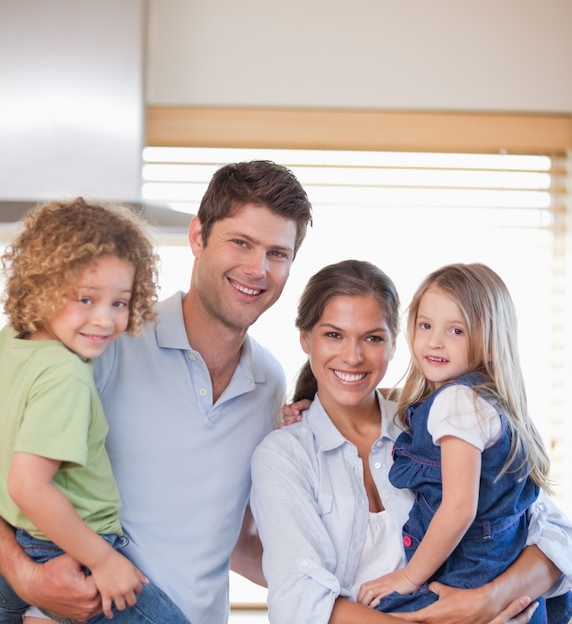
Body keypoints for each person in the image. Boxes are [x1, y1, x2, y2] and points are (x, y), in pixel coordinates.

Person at [0, 161, 314, 624]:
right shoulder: (101, 340)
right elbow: (18, 480)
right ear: (197, 237)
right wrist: (25, 577)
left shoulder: (269, 381)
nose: (257, 269)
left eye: (277, 253)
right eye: (241, 243)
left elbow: (237, 544)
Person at [250, 259, 572, 624]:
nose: (353, 357)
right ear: (306, 338)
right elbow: (301, 602)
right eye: (333, 335)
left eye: (373, 338)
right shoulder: (284, 455)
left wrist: (488, 599)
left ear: (394, 344)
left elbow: (553, 533)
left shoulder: (435, 423)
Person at [0, 198, 191, 623]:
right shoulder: (65, 375)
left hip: (20, 544)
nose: (105, 320)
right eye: (86, 299)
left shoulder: (11, 343)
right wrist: (104, 562)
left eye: (119, 303)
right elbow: (28, 486)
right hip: (74, 546)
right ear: (42, 286)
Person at [355, 263, 572, 622]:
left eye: (456, 330)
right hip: (499, 558)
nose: (435, 341)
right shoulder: (483, 400)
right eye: (426, 325)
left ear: (489, 344)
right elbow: (409, 404)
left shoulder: (456, 404)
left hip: (466, 569)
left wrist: (408, 577)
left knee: (386, 611)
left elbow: (459, 509)